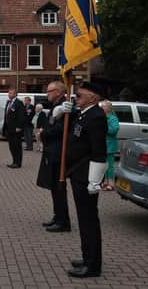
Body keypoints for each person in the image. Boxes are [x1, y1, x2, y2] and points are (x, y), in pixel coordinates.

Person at [61, 81, 108, 278]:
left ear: (93, 97)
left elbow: (99, 151)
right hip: (78, 173)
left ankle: (93, 265)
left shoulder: (96, 117)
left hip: (87, 175)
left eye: (79, 96)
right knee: (83, 219)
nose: (76, 98)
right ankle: (87, 256)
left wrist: (95, 181)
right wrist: (62, 112)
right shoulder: (84, 114)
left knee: (89, 220)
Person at [36, 80, 71, 233]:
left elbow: (58, 130)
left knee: (59, 188)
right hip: (52, 152)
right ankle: (58, 216)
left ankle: (63, 220)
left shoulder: (63, 107)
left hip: (58, 154)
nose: (47, 94)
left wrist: (43, 133)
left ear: (58, 92)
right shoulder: (56, 106)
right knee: (54, 188)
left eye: (49, 91)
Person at [2, 88, 26, 168]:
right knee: (11, 146)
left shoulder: (19, 103)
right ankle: (14, 161)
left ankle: (18, 163)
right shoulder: (9, 102)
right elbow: (7, 115)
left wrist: (19, 127)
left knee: (17, 146)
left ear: (15, 94)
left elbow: (21, 116)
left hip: (16, 129)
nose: (9, 94)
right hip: (9, 129)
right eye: (9, 93)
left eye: (11, 93)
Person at [100, 100, 120, 191]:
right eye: (101, 106)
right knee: (104, 165)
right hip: (102, 145)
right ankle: (105, 182)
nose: (101, 108)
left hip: (110, 146)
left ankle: (111, 183)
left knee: (110, 166)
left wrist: (104, 126)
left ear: (108, 108)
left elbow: (113, 130)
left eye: (103, 106)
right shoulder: (101, 117)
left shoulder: (113, 118)